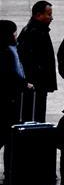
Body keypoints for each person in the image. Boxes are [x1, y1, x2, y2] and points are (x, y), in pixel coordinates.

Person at [17, 0, 55, 122]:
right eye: (48, 14)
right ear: (38, 15)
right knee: (36, 113)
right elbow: (28, 60)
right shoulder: (34, 32)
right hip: (36, 84)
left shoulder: (39, 30)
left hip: (39, 83)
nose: (51, 18)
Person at [0, 20, 31, 151]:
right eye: (14, 32)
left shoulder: (11, 49)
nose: (16, 35)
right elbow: (10, 74)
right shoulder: (5, 52)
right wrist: (24, 84)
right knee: (6, 133)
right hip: (7, 98)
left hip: (10, 98)